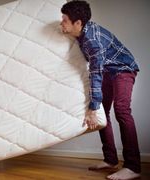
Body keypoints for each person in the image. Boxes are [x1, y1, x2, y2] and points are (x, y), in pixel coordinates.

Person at [60, 1, 141, 180]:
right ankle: (110, 159)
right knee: (103, 113)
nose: (61, 23)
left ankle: (133, 166)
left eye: (64, 20)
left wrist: (92, 107)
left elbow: (95, 73)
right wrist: (95, 107)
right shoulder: (81, 33)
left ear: (78, 23)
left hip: (123, 69)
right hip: (107, 70)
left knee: (122, 111)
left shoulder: (93, 41)